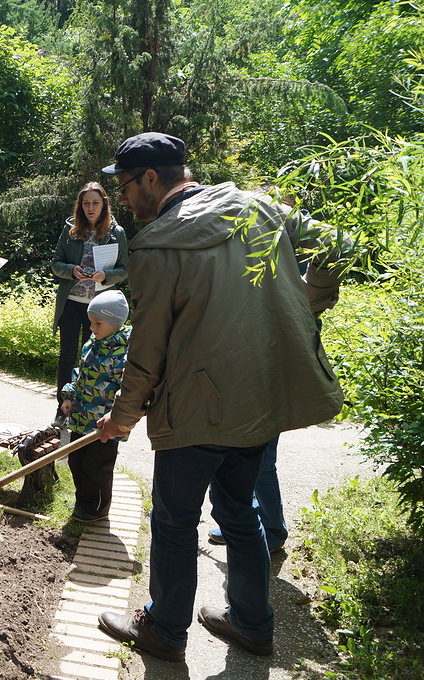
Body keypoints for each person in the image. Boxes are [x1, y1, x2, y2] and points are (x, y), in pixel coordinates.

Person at [94, 132, 347, 663]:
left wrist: (122, 416)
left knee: (174, 520)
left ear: (150, 178)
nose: (120, 197)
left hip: (195, 408)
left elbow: (149, 344)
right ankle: (253, 624)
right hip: (257, 397)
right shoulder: (256, 206)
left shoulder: (158, 245)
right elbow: (338, 244)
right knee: (239, 512)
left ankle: (164, 629)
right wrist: (304, 306)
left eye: (123, 185)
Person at [50, 182, 128, 420]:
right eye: (86, 203)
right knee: (67, 357)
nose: (90, 208)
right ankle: (62, 407)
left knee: (91, 358)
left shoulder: (117, 232)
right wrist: (72, 270)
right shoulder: (71, 229)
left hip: (99, 309)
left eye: (95, 202)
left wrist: (106, 276)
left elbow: (125, 269)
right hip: (71, 303)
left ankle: (82, 406)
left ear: (104, 203)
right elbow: (55, 263)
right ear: (80, 205)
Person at [59, 289, 130, 522]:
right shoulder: (93, 342)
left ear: (115, 322)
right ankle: (84, 500)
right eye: (90, 322)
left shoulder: (124, 352)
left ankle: (97, 508)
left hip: (104, 426)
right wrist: (69, 395)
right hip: (81, 417)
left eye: (97, 323)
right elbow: (79, 372)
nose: (92, 328)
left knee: (96, 467)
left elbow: (127, 387)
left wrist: (117, 416)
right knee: (76, 460)